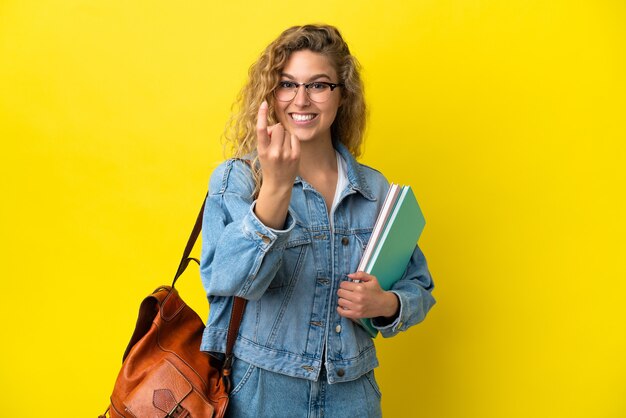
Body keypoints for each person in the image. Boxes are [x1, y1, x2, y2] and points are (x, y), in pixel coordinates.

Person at [200, 24, 435, 417]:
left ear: (342, 96)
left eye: (319, 85)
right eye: (287, 84)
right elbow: (227, 281)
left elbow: (420, 287)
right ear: (270, 96)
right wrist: (275, 188)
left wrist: (386, 303)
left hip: (353, 394)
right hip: (261, 392)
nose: (301, 99)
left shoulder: (373, 189)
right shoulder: (237, 179)